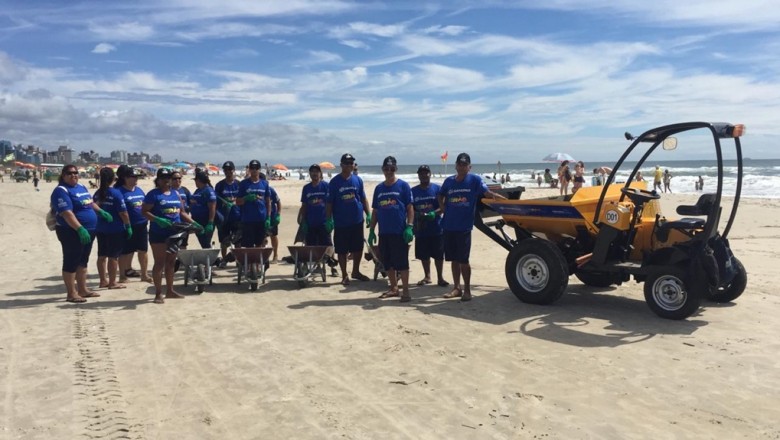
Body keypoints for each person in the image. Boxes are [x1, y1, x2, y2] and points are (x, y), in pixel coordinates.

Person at [438, 153, 506, 302]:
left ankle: (467, 290)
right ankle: (456, 287)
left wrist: (504, 202)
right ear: (456, 165)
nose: (462, 167)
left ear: (469, 166)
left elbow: (487, 192)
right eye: (459, 164)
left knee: (463, 260)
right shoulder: (448, 181)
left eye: (465, 164)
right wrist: (443, 208)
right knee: (453, 260)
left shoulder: (474, 180)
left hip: (464, 227)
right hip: (449, 225)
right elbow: (440, 195)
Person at [51, 164, 111, 303]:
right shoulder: (61, 191)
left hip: (90, 230)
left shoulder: (82, 187)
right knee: (71, 261)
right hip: (71, 231)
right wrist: (79, 228)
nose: (74, 175)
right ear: (63, 175)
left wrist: (100, 211)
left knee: (83, 260)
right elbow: (67, 213)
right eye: (70, 173)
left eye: (75, 173)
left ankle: (83, 289)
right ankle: (71, 293)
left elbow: (90, 203)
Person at [142, 168, 201, 304]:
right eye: (163, 178)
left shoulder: (176, 193)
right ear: (158, 179)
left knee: (171, 263)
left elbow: (182, 212)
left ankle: (170, 290)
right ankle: (158, 293)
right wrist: (157, 220)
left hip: (175, 233)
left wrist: (195, 223)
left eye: (168, 178)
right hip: (158, 233)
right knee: (159, 263)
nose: (166, 180)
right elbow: (144, 211)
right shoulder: (153, 194)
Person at [368, 156, 414, 302]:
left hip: (399, 232)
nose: (389, 171)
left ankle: (405, 291)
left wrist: (410, 227)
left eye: (392, 169)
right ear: (383, 170)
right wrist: (371, 230)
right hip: (384, 232)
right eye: (386, 169)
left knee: (402, 263)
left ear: (396, 169)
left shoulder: (403, 186)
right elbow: (375, 211)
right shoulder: (379, 188)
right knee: (387, 263)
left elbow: (410, 208)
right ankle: (394, 288)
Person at [325, 153, 371, 286]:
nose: (350, 165)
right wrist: (328, 219)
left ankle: (356, 271)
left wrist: (368, 214)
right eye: (347, 163)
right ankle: (344, 274)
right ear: (341, 165)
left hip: (357, 220)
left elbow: (363, 198)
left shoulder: (358, 180)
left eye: (352, 163)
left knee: (358, 247)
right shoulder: (334, 182)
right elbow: (329, 203)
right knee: (342, 249)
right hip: (341, 222)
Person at [93, 167, 132, 290]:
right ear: (113, 178)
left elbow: (93, 206)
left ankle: (103, 280)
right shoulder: (116, 193)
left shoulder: (98, 193)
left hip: (100, 228)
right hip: (115, 229)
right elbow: (123, 213)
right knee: (113, 256)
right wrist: (128, 226)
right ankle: (112, 282)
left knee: (101, 255)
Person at [411, 165, 448, 288]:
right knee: (423, 255)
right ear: (418, 175)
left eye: (426, 173)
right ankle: (427, 276)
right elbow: (410, 208)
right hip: (421, 228)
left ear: (430, 174)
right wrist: (416, 216)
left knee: (438, 255)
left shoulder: (437, 189)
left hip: (436, 227)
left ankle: (440, 277)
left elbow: (443, 206)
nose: (424, 175)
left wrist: (435, 213)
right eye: (421, 173)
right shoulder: (413, 191)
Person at [298, 164, 338, 276]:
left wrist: (331, 220)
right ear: (310, 174)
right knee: (312, 246)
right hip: (311, 222)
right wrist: (303, 220)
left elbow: (331, 204)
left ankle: (333, 267)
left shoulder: (326, 186)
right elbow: (304, 205)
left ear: (320, 173)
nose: (315, 174)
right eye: (312, 172)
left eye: (317, 171)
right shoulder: (306, 188)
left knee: (328, 245)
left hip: (324, 222)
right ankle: (318, 266)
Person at [116, 166, 151, 283]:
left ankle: (144, 274)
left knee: (143, 251)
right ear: (125, 178)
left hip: (141, 225)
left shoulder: (139, 190)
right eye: (133, 177)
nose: (135, 179)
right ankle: (122, 276)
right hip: (127, 226)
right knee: (125, 252)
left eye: (137, 177)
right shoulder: (119, 191)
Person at [236, 160, 272, 248]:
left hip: (261, 220)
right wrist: (245, 198)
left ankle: (258, 262)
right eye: (252, 168)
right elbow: (237, 202)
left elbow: (268, 202)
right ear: (249, 169)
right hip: (248, 220)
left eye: (256, 168)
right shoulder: (244, 184)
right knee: (249, 246)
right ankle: (250, 262)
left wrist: (268, 217)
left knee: (260, 245)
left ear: (259, 169)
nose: (254, 170)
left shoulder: (264, 184)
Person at [214, 161, 241, 267]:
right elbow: (215, 200)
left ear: (233, 170)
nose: (228, 172)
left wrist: (234, 201)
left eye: (230, 169)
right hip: (224, 217)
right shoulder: (220, 185)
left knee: (238, 241)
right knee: (224, 241)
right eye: (226, 170)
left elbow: (242, 199)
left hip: (237, 216)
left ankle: (239, 260)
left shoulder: (239, 184)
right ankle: (224, 259)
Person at [189, 171, 217, 249]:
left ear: (198, 180)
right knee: (203, 244)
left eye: (195, 180)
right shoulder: (198, 190)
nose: (195, 182)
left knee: (205, 244)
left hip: (205, 222)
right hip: (196, 222)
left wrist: (210, 222)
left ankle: (213, 260)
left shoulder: (209, 191)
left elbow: (212, 208)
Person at [261, 172, 282, 263]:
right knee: (262, 237)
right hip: (261, 217)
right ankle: (263, 256)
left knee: (273, 236)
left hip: (272, 217)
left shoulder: (271, 190)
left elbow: (278, 202)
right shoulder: (257, 192)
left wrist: (278, 215)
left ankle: (275, 255)